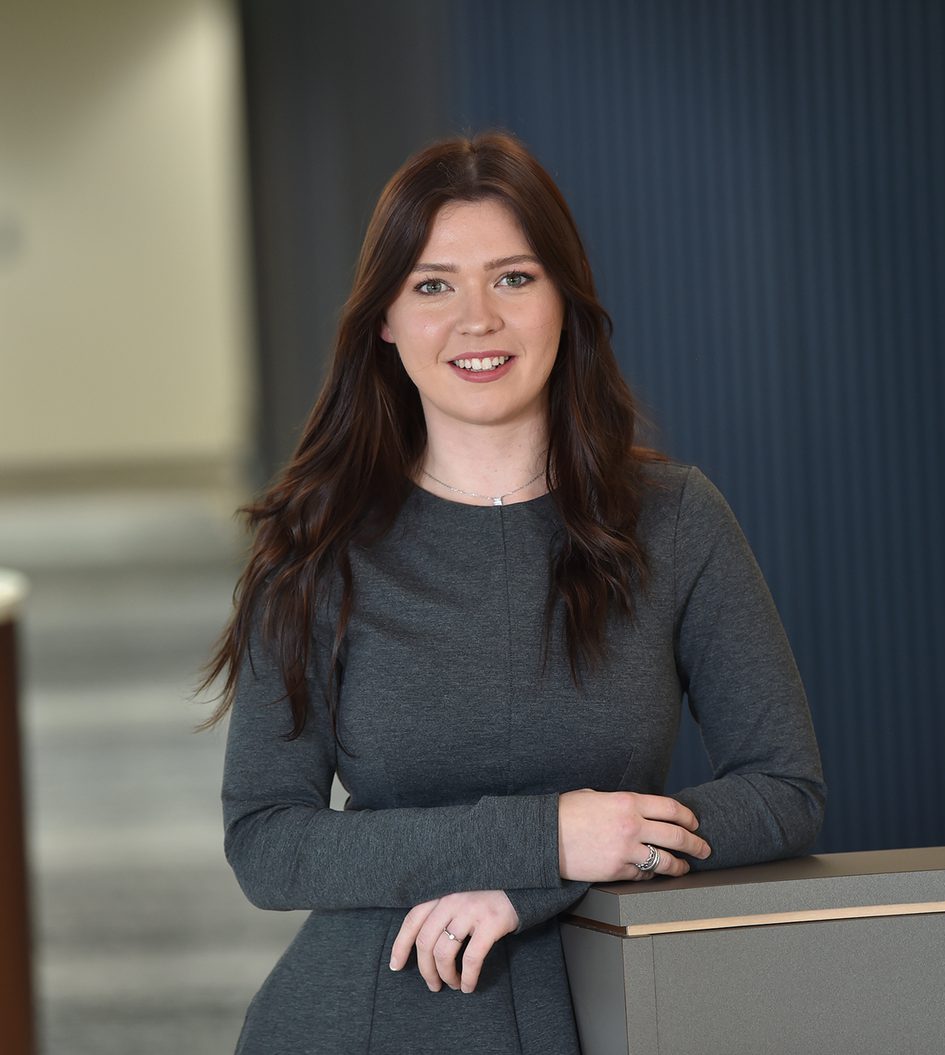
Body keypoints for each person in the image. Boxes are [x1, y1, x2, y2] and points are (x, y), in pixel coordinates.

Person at [203, 131, 825, 1054]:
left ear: (565, 300)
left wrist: (556, 870)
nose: (477, 319)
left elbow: (786, 790)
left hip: (621, 1004)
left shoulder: (675, 518)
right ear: (385, 319)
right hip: (369, 1016)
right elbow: (268, 840)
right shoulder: (317, 545)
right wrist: (547, 837)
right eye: (433, 284)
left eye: (514, 278)